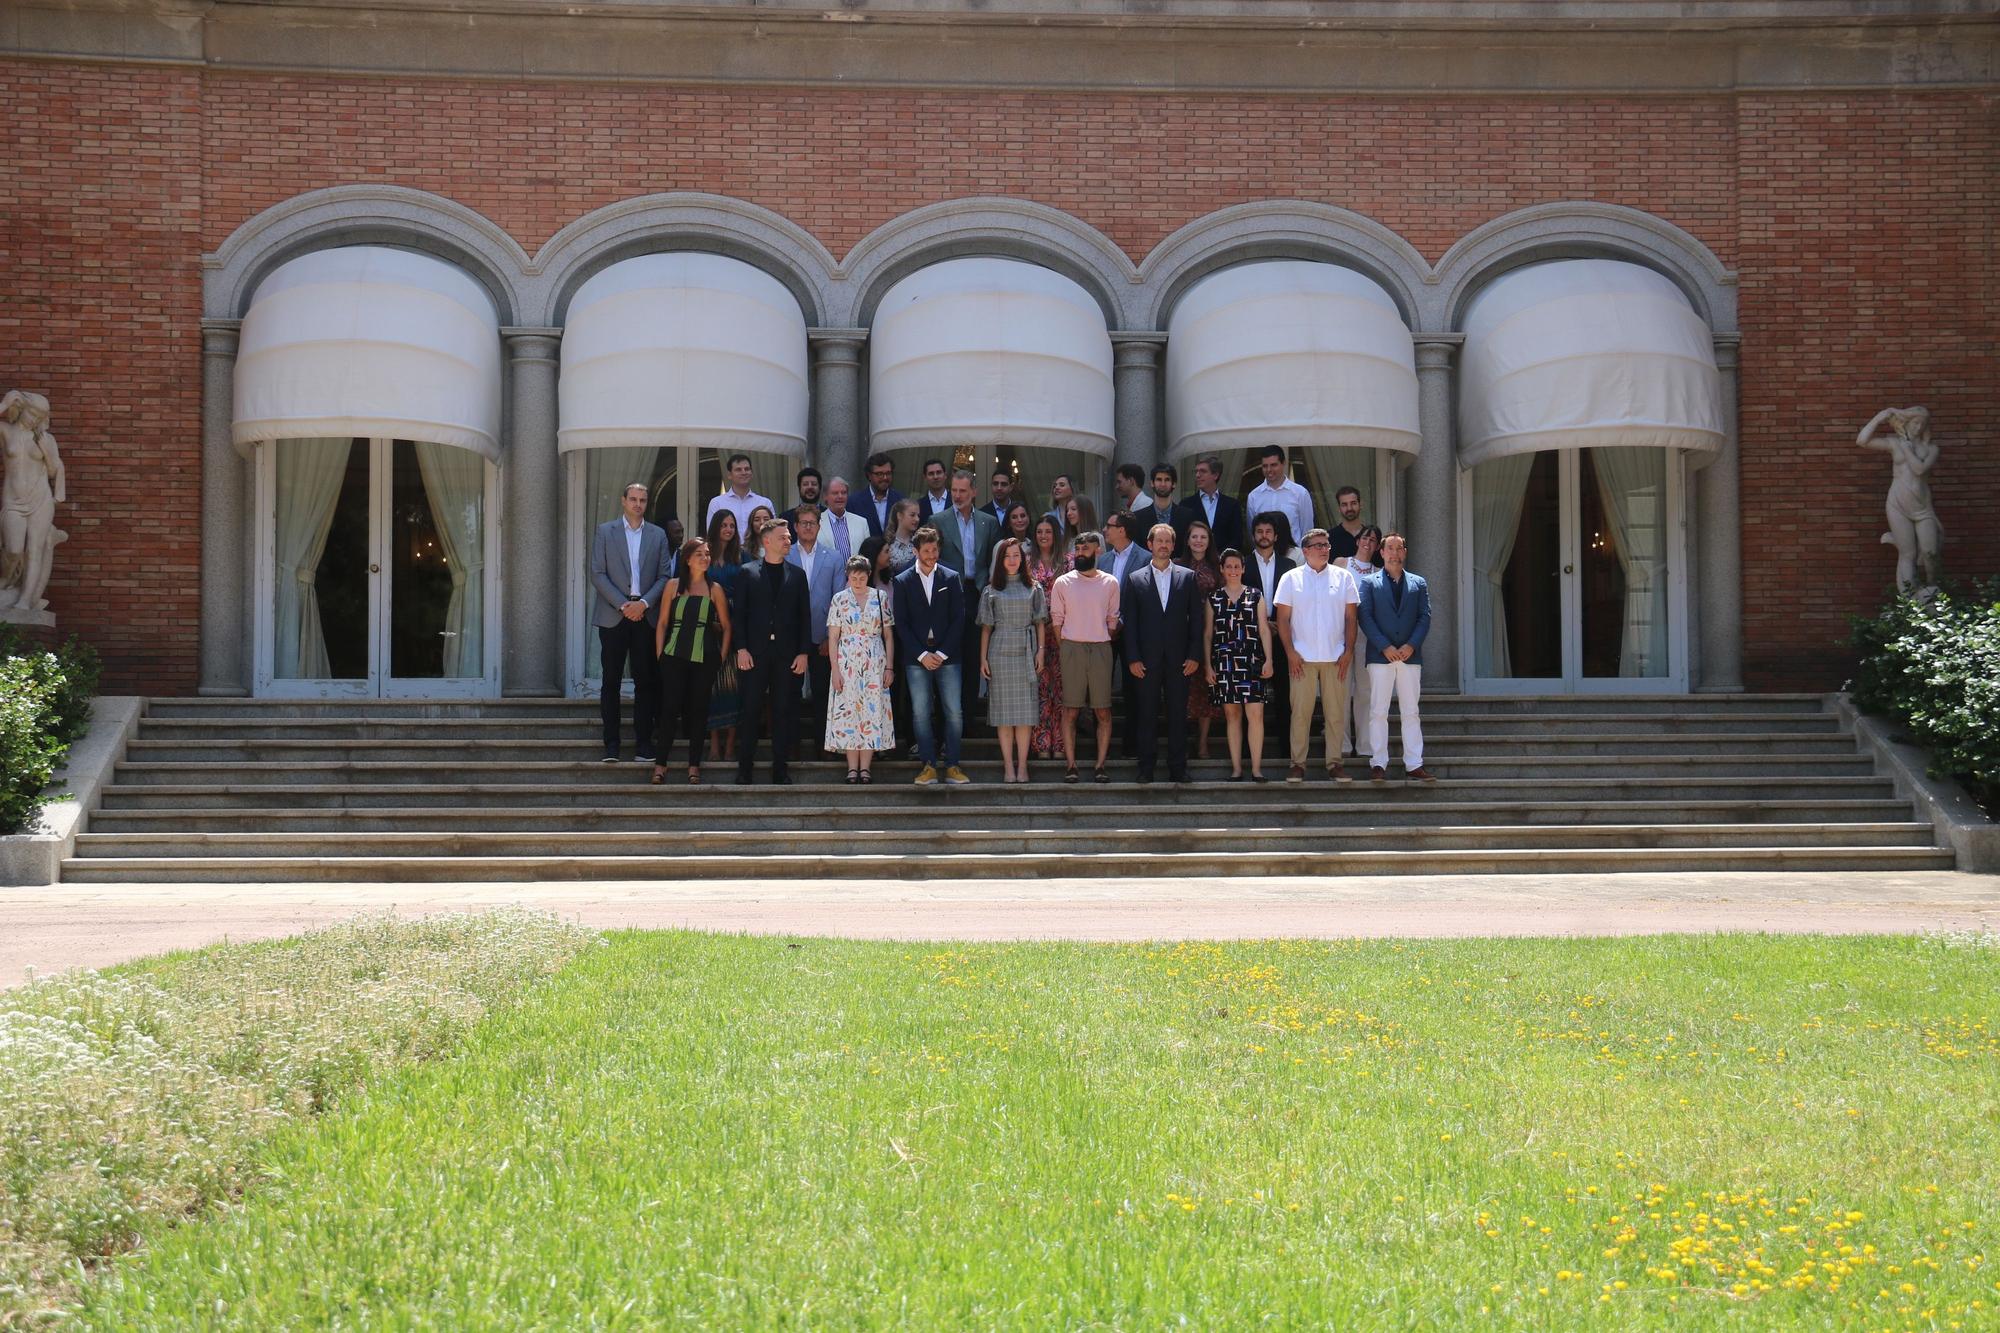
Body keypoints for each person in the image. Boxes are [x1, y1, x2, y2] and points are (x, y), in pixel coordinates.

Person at [588, 482, 669, 763]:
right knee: (610, 681)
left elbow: (664, 576)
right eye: (633, 499)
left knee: (645, 681)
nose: (638, 504)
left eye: (643, 500)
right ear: (623, 500)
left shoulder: (658, 535)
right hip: (614, 615)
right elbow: (597, 573)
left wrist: (643, 604)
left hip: (645, 615)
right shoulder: (605, 531)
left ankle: (644, 744)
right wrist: (624, 605)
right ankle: (611, 744)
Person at [1273, 527, 1360, 784]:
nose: (1325, 549)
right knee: (1300, 713)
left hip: (1336, 658)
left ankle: (1335, 764)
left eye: (1327, 545)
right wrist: (1290, 653)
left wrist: (1348, 652)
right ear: (1306, 550)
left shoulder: (1344, 577)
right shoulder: (1290, 578)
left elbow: (1351, 619)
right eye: (1319, 545)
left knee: (1336, 714)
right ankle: (1298, 764)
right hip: (1302, 657)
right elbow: (1283, 620)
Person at [1122, 523, 1205, 784]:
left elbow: (1197, 621)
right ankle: (1146, 767)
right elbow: (1130, 623)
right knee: (1146, 714)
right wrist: (1133, 658)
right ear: (1150, 545)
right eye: (1159, 541)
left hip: (1180, 660)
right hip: (1145, 660)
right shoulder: (1135, 579)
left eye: (1168, 541)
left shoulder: (1187, 576)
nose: (1163, 546)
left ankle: (1178, 768)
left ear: (1173, 545)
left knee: (1178, 715)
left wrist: (1194, 655)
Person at [732, 518, 812, 785]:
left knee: (783, 711)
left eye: (789, 537)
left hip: (786, 655)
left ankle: (781, 769)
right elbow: (739, 616)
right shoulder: (747, 572)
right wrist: (741, 648)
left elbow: (805, 617)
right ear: (767, 542)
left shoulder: (798, 575)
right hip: (754, 653)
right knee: (751, 710)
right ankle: (745, 769)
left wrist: (803, 653)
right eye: (783, 537)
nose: (788, 540)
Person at [650, 537, 732, 786]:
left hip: (705, 658)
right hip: (674, 656)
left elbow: (727, 626)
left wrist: (721, 656)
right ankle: (660, 765)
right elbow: (662, 623)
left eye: (707, 554)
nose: (705, 558)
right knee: (669, 711)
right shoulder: (673, 586)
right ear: (687, 558)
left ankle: (694, 766)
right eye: (699, 554)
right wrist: (660, 654)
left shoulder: (715, 589)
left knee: (699, 712)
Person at [892, 527, 970, 786]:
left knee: (954, 712)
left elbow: (959, 619)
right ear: (915, 551)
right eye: (926, 550)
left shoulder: (951, 576)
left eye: (935, 549)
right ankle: (927, 765)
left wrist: (943, 652)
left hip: (950, 654)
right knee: (920, 712)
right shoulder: (902, 580)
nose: (931, 555)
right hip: (917, 657)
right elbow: (901, 623)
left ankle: (953, 765)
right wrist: (923, 654)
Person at [1356, 532, 1434, 783]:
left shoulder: (1418, 583)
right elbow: (1365, 616)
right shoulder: (1369, 582)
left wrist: (1411, 645)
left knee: (1411, 711)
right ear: (1381, 552)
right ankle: (1378, 763)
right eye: (1390, 548)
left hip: (1410, 656)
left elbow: (1425, 616)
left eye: (1399, 548)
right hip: (1381, 656)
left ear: (1405, 552)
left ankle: (1414, 764)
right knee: (1378, 710)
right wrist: (1385, 646)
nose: (1394, 553)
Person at [1050, 529, 1120, 784]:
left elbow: (1113, 619)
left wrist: (1101, 636)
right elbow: (1056, 620)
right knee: (1070, 710)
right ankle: (1071, 765)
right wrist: (1066, 645)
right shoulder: (1063, 582)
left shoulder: (1110, 582)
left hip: (1101, 647)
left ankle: (1100, 765)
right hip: (1072, 647)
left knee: (1103, 711)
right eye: (1078, 550)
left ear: (1098, 550)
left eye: (1086, 549)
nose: (1080, 554)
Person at [935, 469, 1001, 731]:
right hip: (948, 596)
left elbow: (993, 563)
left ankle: (969, 722)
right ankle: (947, 722)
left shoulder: (989, 522)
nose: (958, 495)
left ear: (974, 491)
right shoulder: (938, 519)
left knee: (975, 657)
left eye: (963, 491)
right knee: (949, 657)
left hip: (978, 593)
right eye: (954, 490)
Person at [980, 538, 1048, 784]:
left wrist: (1040, 651)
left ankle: (1023, 767)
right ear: (1000, 560)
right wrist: (983, 659)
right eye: (1007, 555)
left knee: (1024, 715)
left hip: (1026, 651)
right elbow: (986, 628)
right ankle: (1008, 766)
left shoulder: (1034, 587)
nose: (1012, 560)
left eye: (1016, 555)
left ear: (1023, 559)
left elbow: (1040, 622)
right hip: (999, 652)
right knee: (1004, 715)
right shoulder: (991, 590)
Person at [825, 554, 897, 783]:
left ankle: (865, 768)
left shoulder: (880, 596)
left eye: (862, 576)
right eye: (853, 577)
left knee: (871, 712)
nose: (857, 581)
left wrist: (889, 667)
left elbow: (888, 635)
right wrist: (835, 669)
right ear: (848, 576)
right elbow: (833, 637)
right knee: (849, 714)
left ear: (868, 575)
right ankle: (851, 768)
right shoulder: (839, 599)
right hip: (847, 662)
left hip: (874, 661)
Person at [1205, 547, 1274, 782]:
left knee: (1255, 715)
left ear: (1243, 569)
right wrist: (1208, 665)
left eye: (1237, 566)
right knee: (1232, 716)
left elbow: (1264, 629)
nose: (1233, 570)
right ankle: (1236, 768)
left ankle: (1256, 768)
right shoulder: (1214, 598)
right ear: (1222, 570)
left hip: (1252, 661)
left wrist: (1269, 659)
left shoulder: (1256, 595)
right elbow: (1208, 634)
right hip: (1224, 663)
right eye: (1229, 566)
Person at [786, 504, 840, 750]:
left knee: (822, 695)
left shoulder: (834, 557)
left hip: (822, 636)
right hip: (791, 639)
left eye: (812, 523)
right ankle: (792, 746)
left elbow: (838, 599)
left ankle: (823, 745)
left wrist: (832, 637)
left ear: (820, 526)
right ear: (795, 527)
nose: (808, 527)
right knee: (790, 695)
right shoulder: (784, 555)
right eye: (803, 523)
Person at [1244, 512, 1299, 749]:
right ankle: (1249, 751)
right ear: (1253, 535)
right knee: (1251, 696)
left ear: (1276, 536)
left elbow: (1295, 601)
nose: (1263, 536)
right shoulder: (1242, 564)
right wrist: (1261, 624)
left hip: (1282, 635)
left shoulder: (1290, 565)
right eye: (1259, 531)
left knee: (1284, 693)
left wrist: (1278, 623)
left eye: (1268, 532)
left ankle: (1286, 747)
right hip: (1250, 637)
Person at [1099, 512, 1146, 758]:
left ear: (1123, 530)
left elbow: (1143, 599)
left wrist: (1122, 622)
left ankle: (1131, 744)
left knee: (1132, 691)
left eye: (1110, 526)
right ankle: (1101, 745)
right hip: (1103, 634)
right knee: (1100, 688)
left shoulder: (1145, 558)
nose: (1105, 530)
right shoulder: (1103, 560)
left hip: (1133, 634)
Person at [1026, 515, 1071, 761]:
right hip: (1035, 634)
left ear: (1056, 535)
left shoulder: (1069, 561)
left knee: (1062, 690)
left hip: (1064, 633)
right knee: (1041, 689)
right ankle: (1042, 741)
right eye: (1040, 531)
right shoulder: (1026, 562)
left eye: (1048, 531)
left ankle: (1061, 741)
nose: (1043, 536)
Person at [703, 510, 746, 760]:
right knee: (711, 687)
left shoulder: (742, 556)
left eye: (732, 525)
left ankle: (730, 744)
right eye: (724, 525)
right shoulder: (704, 555)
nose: (728, 529)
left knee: (734, 687)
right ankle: (714, 743)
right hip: (707, 624)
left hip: (735, 623)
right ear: (716, 527)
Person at [1179, 517, 1223, 760]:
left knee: (1207, 691)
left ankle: (1203, 743)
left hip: (1210, 636)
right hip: (1181, 637)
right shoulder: (1176, 565)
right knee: (1183, 692)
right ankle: (1183, 740)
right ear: (1187, 540)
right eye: (1194, 536)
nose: (1198, 541)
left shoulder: (1217, 569)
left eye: (1203, 537)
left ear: (1209, 541)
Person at [1337, 524, 1383, 757]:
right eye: (1365, 537)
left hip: (1366, 636)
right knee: (1341, 690)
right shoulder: (1340, 563)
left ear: (1377, 546)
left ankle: (1365, 745)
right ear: (1357, 540)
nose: (1368, 542)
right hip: (1339, 634)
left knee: (1365, 690)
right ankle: (1342, 745)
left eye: (1373, 540)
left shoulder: (1378, 571)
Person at [1245, 445, 1314, 554]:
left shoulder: (1300, 493)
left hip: (1293, 555)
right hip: (1264, 556)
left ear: (1283, 463)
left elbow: (1307, 530)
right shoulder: (1254, 496)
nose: (1269, 470)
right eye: (1265, 466)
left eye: (1273, 465)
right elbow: (1252, 531)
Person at [1175, 453, 1247, 555]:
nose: (1198, 475)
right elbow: (1182, 538)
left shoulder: (1232, 505)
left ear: (1215, 475)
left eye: (1203, 471)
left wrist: (1222, 557)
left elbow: (1237, 539)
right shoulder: (1186, 504)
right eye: (1196, 471)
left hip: (1223, 564)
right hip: (1193, 563)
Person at [705, 452, 776, 534]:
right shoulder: (717, 503)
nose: (743, 472)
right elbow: (712, 535)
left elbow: (773, 533)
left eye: (747, 469)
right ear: (729, 475)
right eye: (738, 470)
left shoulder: (765, 503)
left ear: (751, 473)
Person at [820, 476, 872, 560]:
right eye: (835, 493)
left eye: (843, 493)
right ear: (825, 496)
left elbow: (868, 553)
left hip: (856, 572)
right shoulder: (816, 522)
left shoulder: (861, 522)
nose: (840, 496)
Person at [862, 451, 902, 536]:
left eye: (888, 473)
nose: (885, 477)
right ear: (869, 475)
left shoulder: (901, 500)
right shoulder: (854, 503)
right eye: (879, 474)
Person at [1135, 463, 1179, 535]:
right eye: (1159, 479)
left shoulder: (1186, 516)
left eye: (1167, 480)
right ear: (1152, 483)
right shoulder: (1138, 518)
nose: (1163, 484)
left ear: (1173, 484)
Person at [1328, 485, 1366, 562]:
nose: (1349, 508)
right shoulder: (1329, 538)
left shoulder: (1370, 537)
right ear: (1339, 508)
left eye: (1353, 503)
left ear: (1360, 504)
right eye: (1344, 505)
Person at [778, 467, 822, 531]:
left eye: (814, 484)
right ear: (799, 488)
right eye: (805, 484)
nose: (810, 487)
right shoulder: (785, 518)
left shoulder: (829, 516)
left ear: (820, 488)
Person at [884, 498, 921, 574]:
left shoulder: (919, 542)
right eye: (912, 515)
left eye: (918, 515)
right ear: (900, 515)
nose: (917, 519)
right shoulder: (888, 542)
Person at [662, 516, 686, 581]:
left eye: (682, 531)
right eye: (677, 532)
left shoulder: (684, 556)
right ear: (666, 534)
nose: (681, 535)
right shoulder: (656, 556)